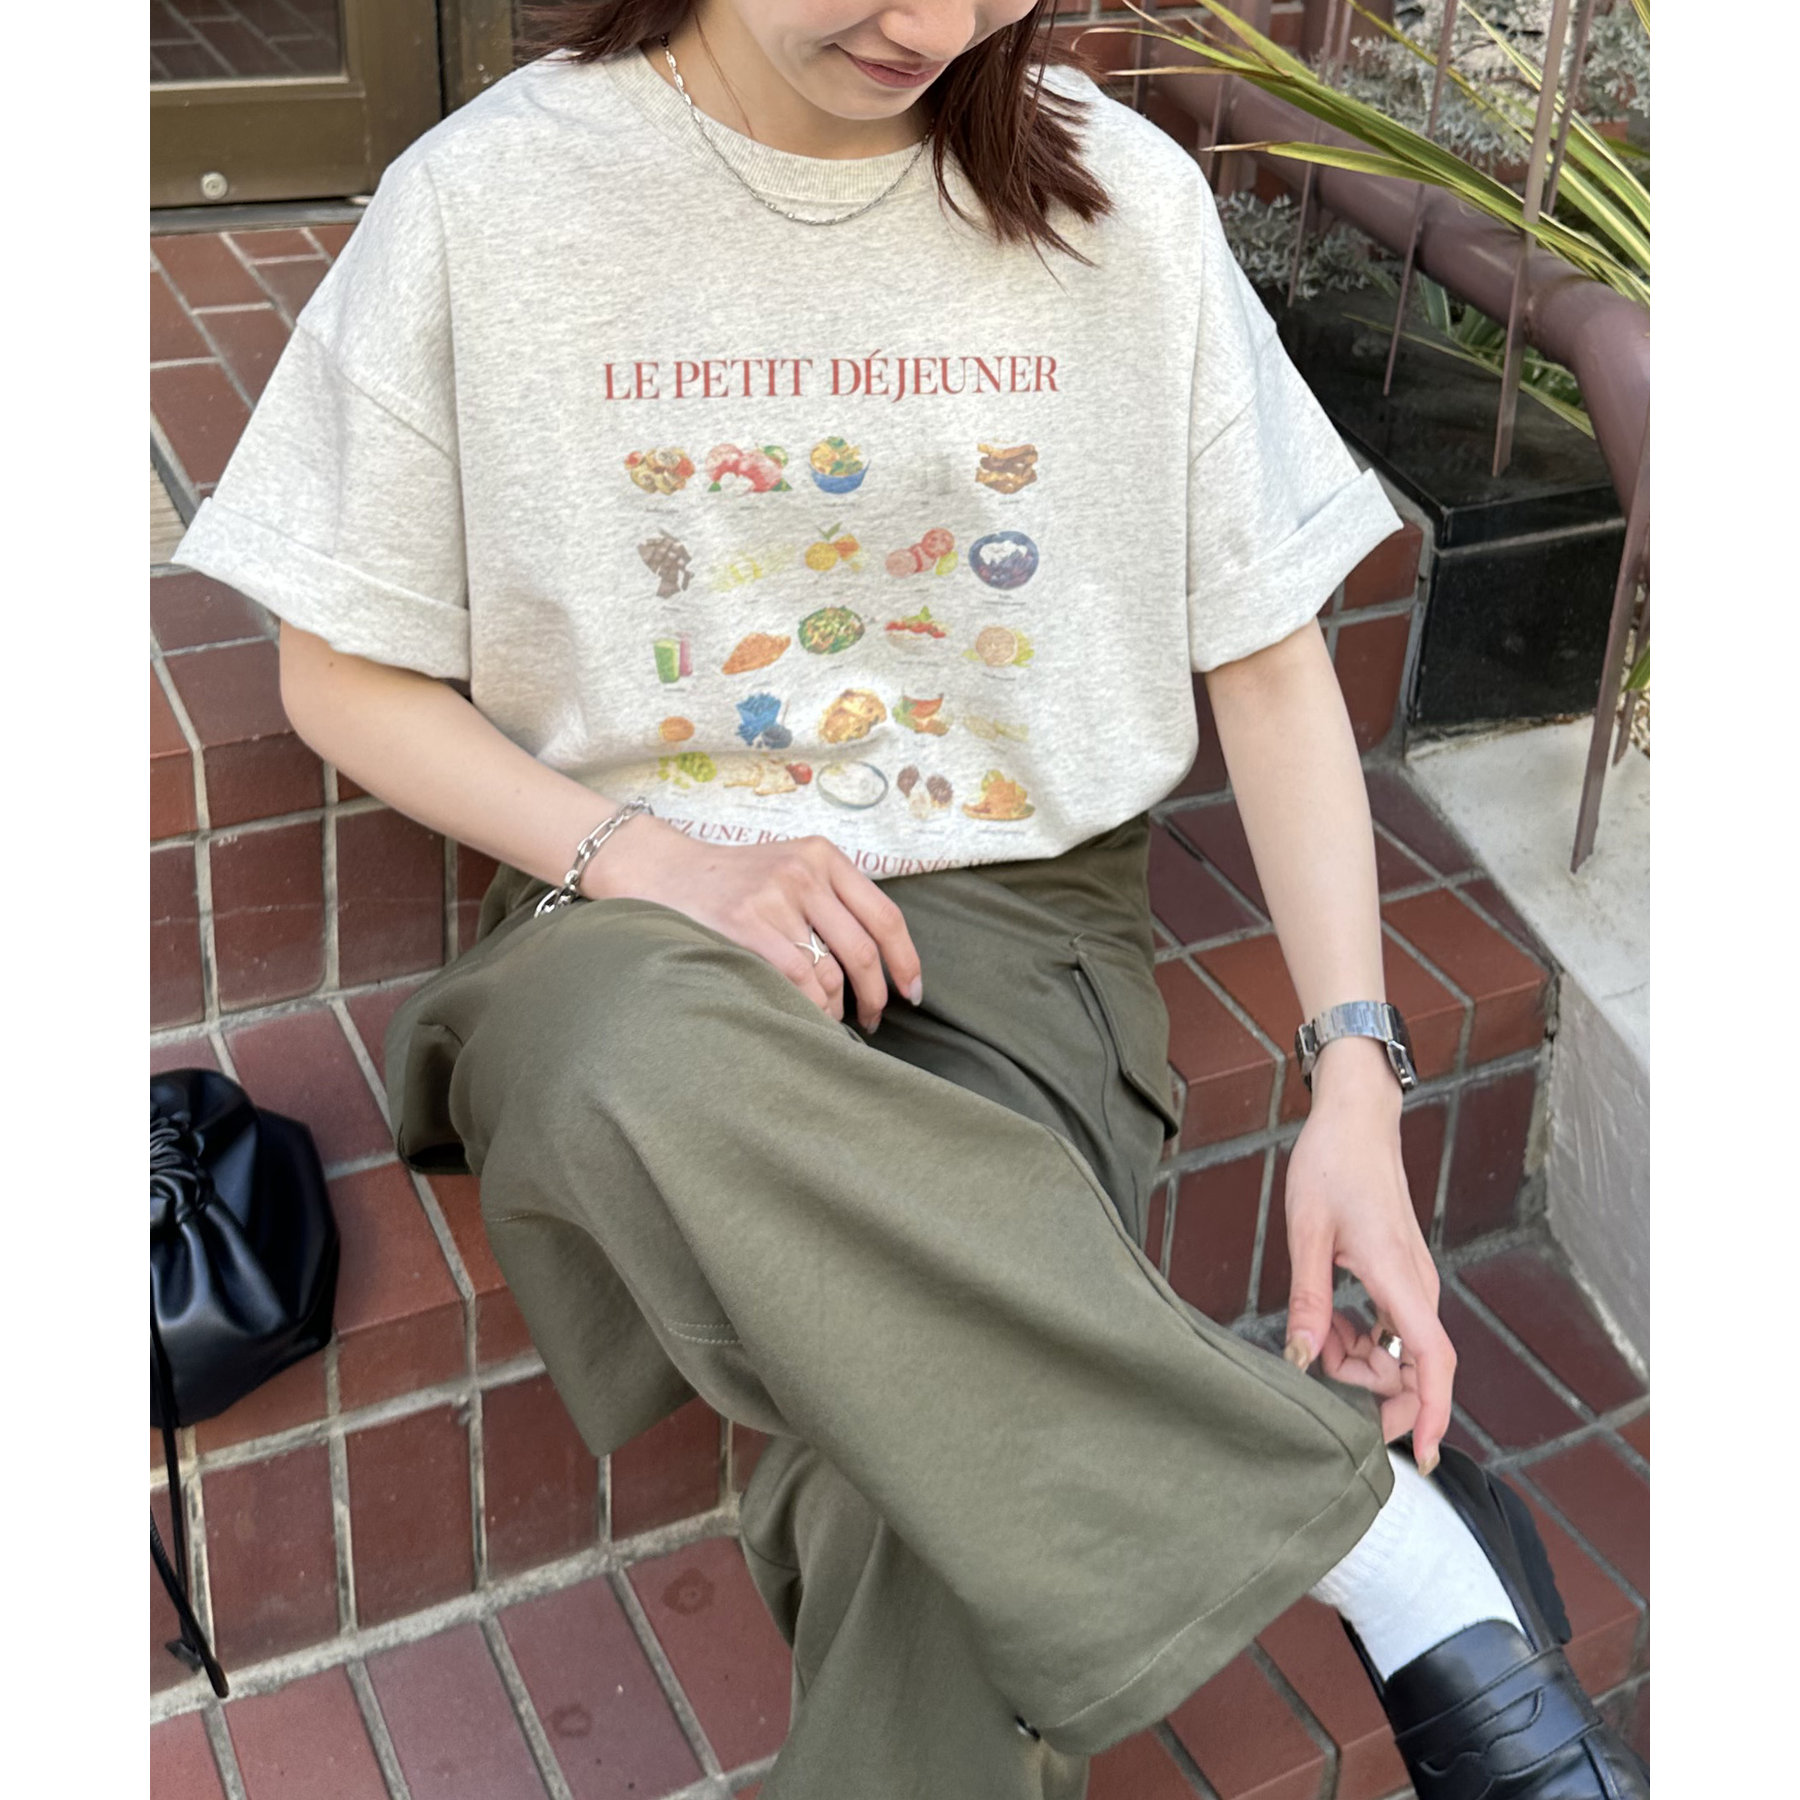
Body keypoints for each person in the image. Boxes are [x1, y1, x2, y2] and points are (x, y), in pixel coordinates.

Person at [171, 4, 1647, 1794]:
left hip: (1016, 927)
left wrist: (1354, 1074)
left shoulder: (1120, 202)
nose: (932, 25)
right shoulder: (488, 201)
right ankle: (1387, 1547)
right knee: (629, 1058)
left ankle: (1339, 1534)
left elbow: (1269, 666)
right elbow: (338, 673)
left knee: (933, 1501)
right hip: (632, 922)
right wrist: (655, 860)